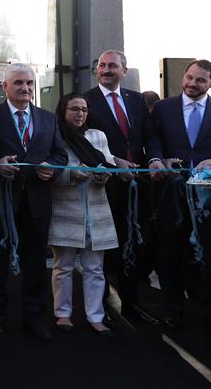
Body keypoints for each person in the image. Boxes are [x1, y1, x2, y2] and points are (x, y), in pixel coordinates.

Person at [0, 62, 69, 342]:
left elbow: (60, 154)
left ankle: (33, 318)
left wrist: (52, 167)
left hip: (36, 199)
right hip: (2, 200)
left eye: (29, 83)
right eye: (19, 83)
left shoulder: (48, 118)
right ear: (5, 86)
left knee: (35, 263)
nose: (25, 88)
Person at [148, 59, 211, 331]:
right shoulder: (163, 108)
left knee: (209, 254)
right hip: (170, 192)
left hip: (208, 196)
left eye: (200, 80)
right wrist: (156, 159)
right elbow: (153, 139)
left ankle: (209, 312)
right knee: (169, 252)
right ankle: (173, 310)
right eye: (190, 77)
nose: (192, 83)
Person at [83, 50, 160, 327]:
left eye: (113, 66)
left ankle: (131, 304)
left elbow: (150, 136)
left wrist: (154, 159)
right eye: (102, 65)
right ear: (96, 71)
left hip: (137, 184)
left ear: (124, 71)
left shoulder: (137, 100)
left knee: (134, 244)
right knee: (103, 247)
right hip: (103, 184)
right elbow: (81, 142)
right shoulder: (86, 101)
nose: (106, 70)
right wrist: (114, 162)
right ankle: (101, 306)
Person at [49, 94, 118, 337]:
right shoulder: (55, 134)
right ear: (63, 110)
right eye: (74, 109)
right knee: (63, 267)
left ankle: (96, 317)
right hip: (65, 208)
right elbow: (50, 171)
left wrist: (103, 174)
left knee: (95, 268)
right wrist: (71, 175)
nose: (80, 114)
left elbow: (108, 163)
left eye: (84, 110)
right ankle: (62, 314)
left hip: (97, 209)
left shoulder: (98, 135)